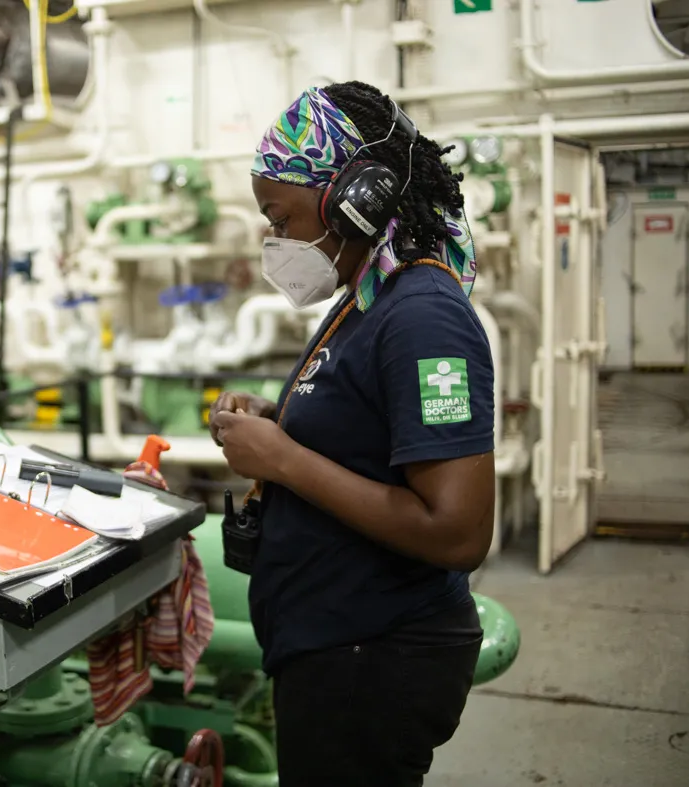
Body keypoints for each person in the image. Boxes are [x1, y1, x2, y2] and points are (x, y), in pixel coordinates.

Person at [208, 81, 495, 786]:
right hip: (336, 645)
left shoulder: (422, 314)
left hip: (375, 655)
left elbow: (458, 531)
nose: (274, 239)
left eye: (279, 217)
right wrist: (279, 427)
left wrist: (282, 459)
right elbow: (366, 435)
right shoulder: (368, 298)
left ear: (354, 198)